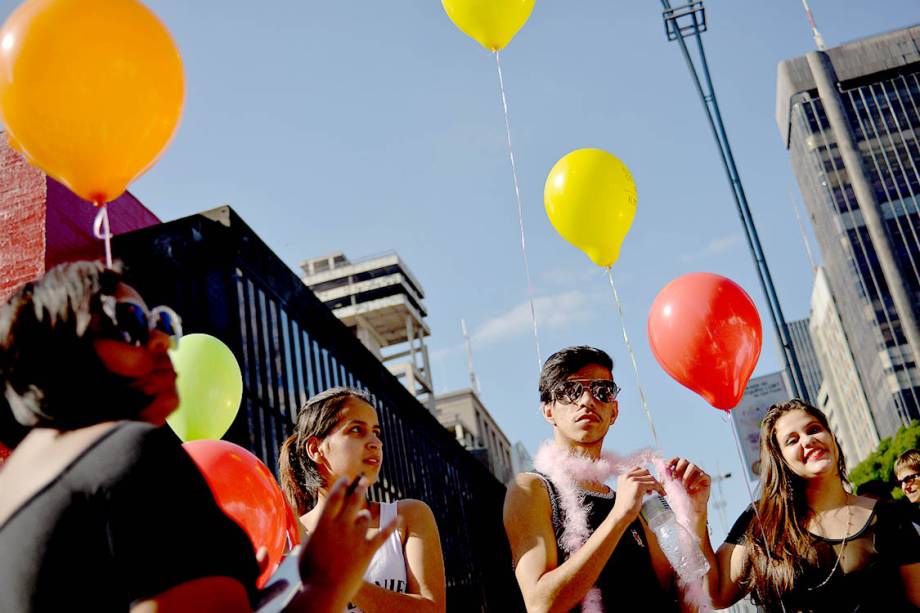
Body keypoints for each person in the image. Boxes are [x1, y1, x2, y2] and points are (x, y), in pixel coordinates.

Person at [0, 261, 392, 612]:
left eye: (163, 322)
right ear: (63, 348)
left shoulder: (15, 484)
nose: (160, 340)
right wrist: (326, 586)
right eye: (131, 320)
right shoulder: (127, 452)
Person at [503, 345, 711, 612]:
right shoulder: (531, 489)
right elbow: (541, 604)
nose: (587, 401)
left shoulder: (637, 500)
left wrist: (694, 514)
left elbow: (681, 602)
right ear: (548, 411)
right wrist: (618, 517)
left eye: (602, 391)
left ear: (614, 411)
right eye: (570, 391)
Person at [701, 399, 920, 612]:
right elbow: (717, 595)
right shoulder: (761, 519)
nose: (807, 441)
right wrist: (696, 514)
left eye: (814, 429)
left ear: (831, 437)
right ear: (781, 460)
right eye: (792, 440)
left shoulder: (889, 515)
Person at [278, 386, 446, 613]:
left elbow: (432, 610)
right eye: (356, 430)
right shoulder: (288, 537)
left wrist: (337, 575)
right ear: (316, 449)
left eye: (376, 432)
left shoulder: (407, 516)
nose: (375, 442)